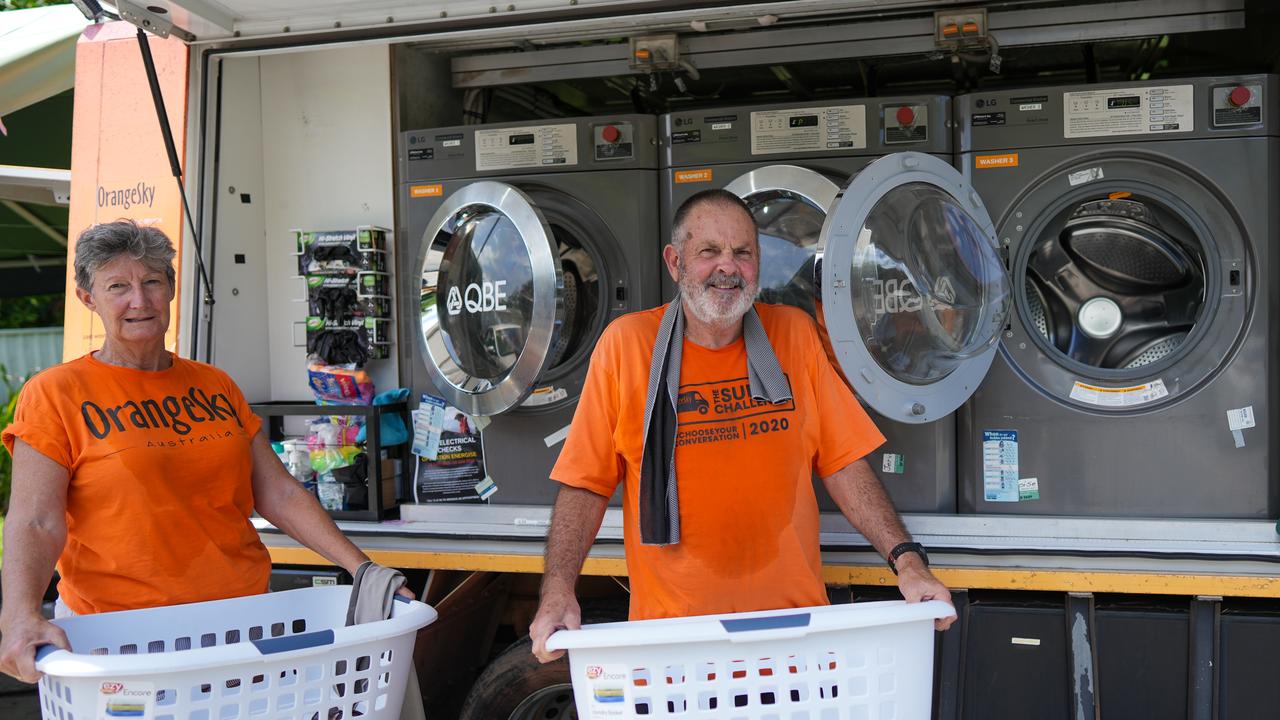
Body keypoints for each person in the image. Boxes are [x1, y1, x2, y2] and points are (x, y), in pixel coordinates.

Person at [530, 190, 955, 662]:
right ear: (675, 262)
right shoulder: (626, 347)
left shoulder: (793, 335)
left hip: (795, 639)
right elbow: (584, 485)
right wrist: (557, 590)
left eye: (743, 253)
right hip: (676, 644)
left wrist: (908, 563)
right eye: (709, 252)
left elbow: (843, 463)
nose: (728, 268)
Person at [0, 220, 407, 683]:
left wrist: (364, 570)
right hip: (121, 636)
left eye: (153, 281)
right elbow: (36, 520)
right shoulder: (55, 393)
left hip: (241, 624)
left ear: (172, 288)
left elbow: (279, 493)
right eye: (118, 286)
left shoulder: (215, 384)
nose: (140, 300)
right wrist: (19, 614)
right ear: (88, 298)